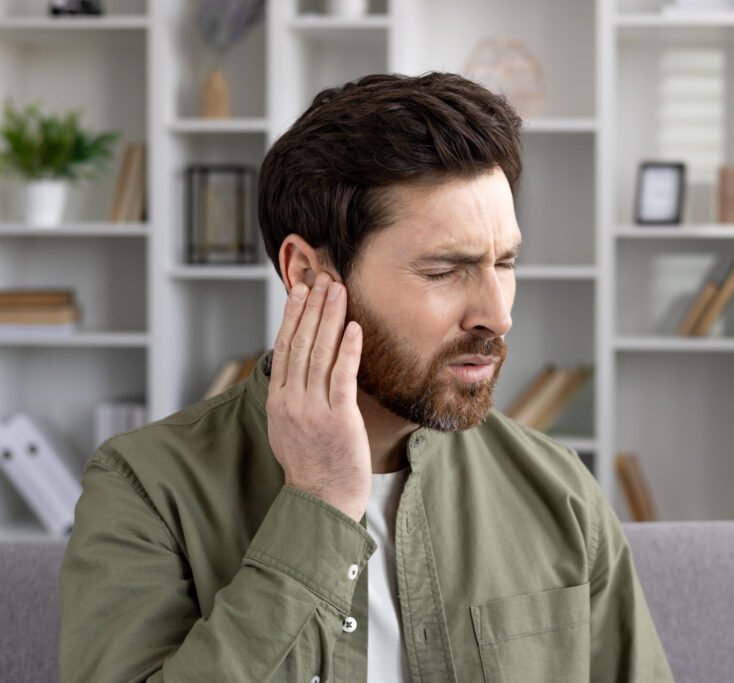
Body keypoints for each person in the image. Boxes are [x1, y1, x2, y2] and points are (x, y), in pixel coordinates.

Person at [59, 72, 673, 682]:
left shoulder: (559, 492)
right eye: (445, 270)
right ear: (306, 273)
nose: (498, 313)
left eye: (504, 262)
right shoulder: (145, 489)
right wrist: (319, 502)